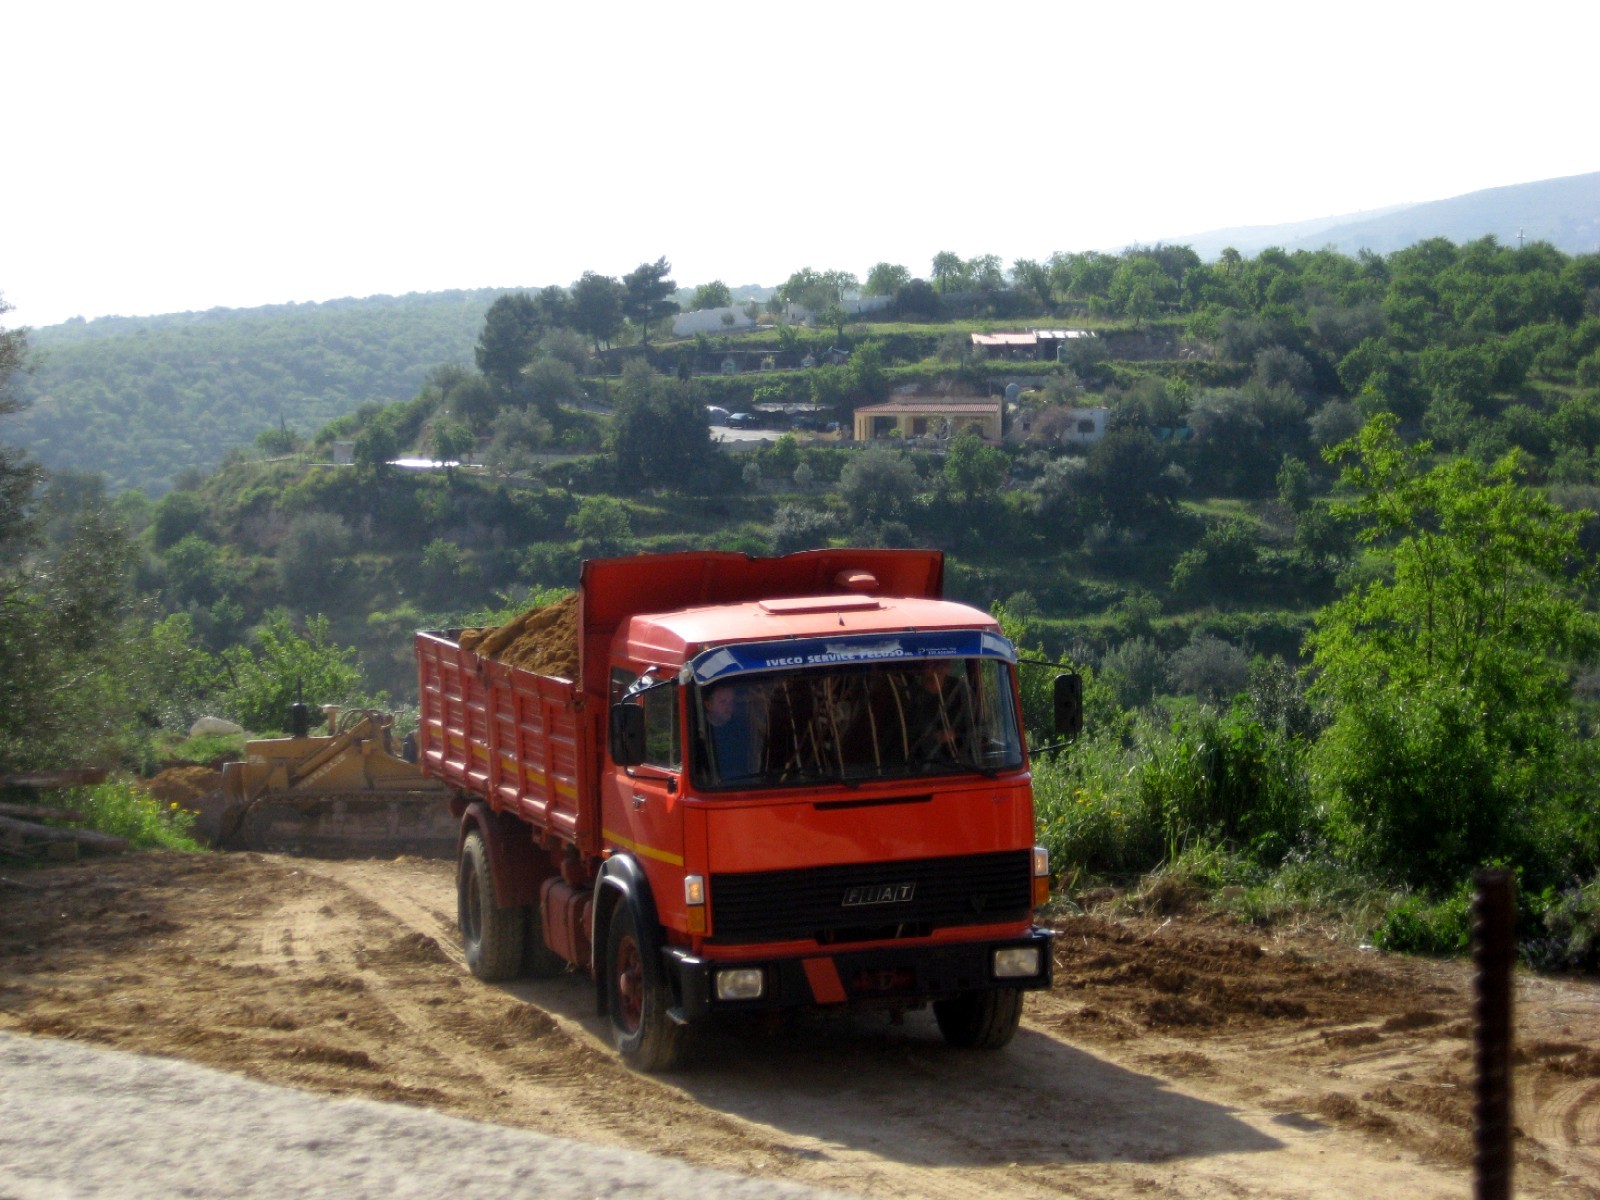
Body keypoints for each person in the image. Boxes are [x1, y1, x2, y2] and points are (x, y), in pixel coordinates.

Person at [701, 682, 763, 782]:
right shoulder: (699, 733)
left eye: (731, 702)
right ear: (709, 705)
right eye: (723, 702)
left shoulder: (742, 728)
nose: (729, 707)